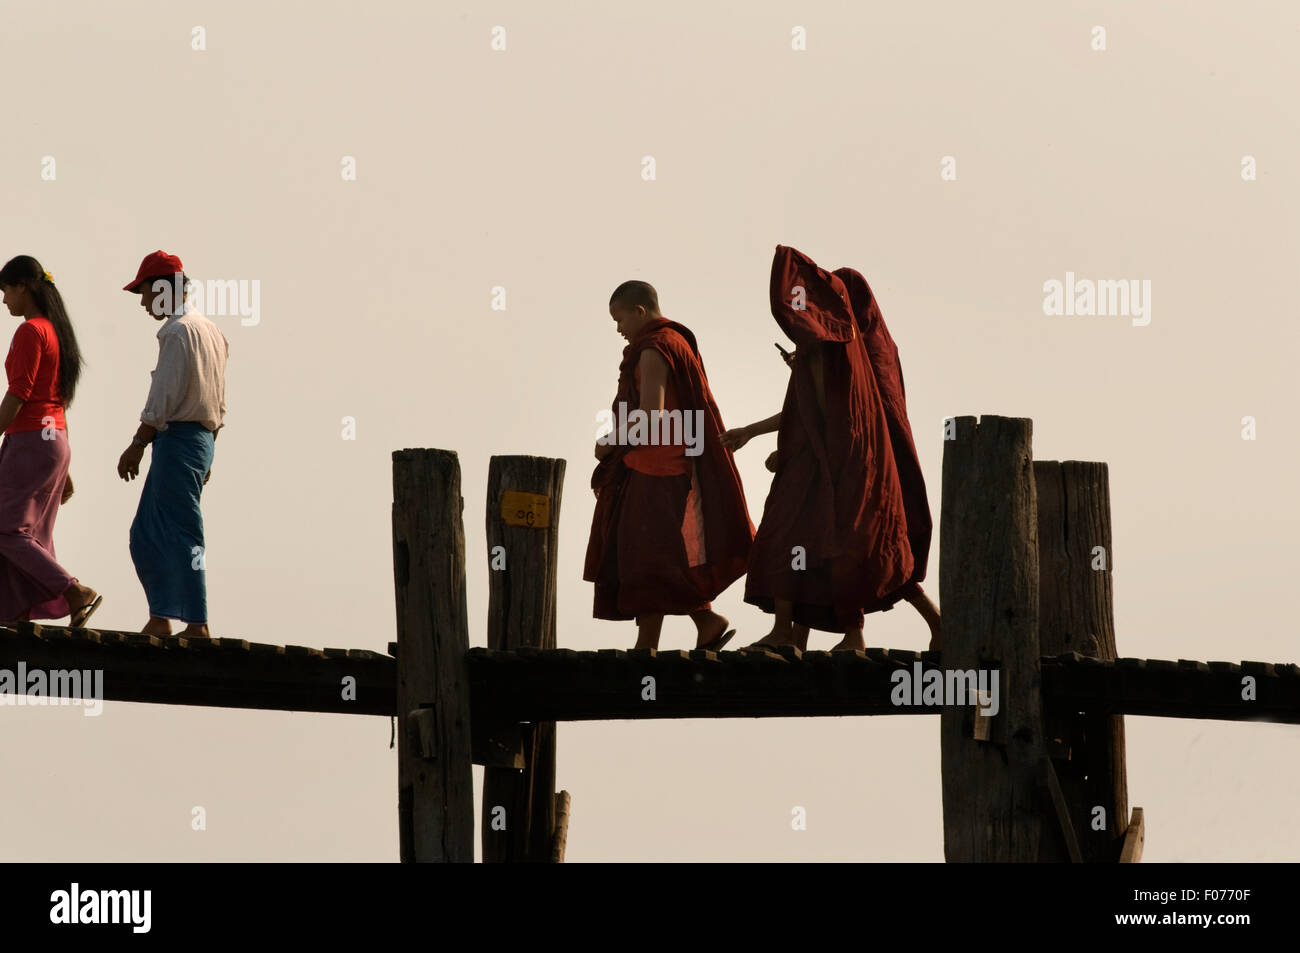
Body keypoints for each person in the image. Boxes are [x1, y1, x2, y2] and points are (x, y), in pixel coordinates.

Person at [723, 244, 936, 652]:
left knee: (795, 540)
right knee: (845, 547)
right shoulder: (861, 352)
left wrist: (797, 452)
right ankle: (836, 634)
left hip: (833, 462)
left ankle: (792, 634)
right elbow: (815, 408)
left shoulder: (837, 349)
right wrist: (758, 431)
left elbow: (821, 413)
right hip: (861, 465)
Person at [583, 280, 753, 650]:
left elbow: (651, 415)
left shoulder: (654, 348)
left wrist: (606, 443)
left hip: (657, 467)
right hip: (667, 465)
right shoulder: (676, 343)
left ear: (640, 312)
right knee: (655, 554)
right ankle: (706, 620)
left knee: (644, 558)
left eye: (620, 319)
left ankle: (647, 648)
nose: (618, 329)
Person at [118, 251, 227, 639]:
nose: (145, 303)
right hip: (198, 440)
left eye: (146, 293)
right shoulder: (210, 330)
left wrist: (137, 443)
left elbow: (162, 397)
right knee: (147, 532)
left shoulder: (177, 332)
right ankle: (162, 615)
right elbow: (218, 399)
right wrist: (209, 449)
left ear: (163, 288)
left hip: (178, 439)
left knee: (182, 532)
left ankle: (196, 622)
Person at [0, 256, 101, 625]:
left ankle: (72, 590)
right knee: (30, 533)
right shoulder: (56, 332)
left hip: (30, 440)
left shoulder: (30, 331)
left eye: (6, 291)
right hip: (54, 440)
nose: (5, 300)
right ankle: (19, 612)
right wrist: (66, 465)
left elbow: (17, 396)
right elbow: (60, 402)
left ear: (22, 287)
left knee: (7, 529)